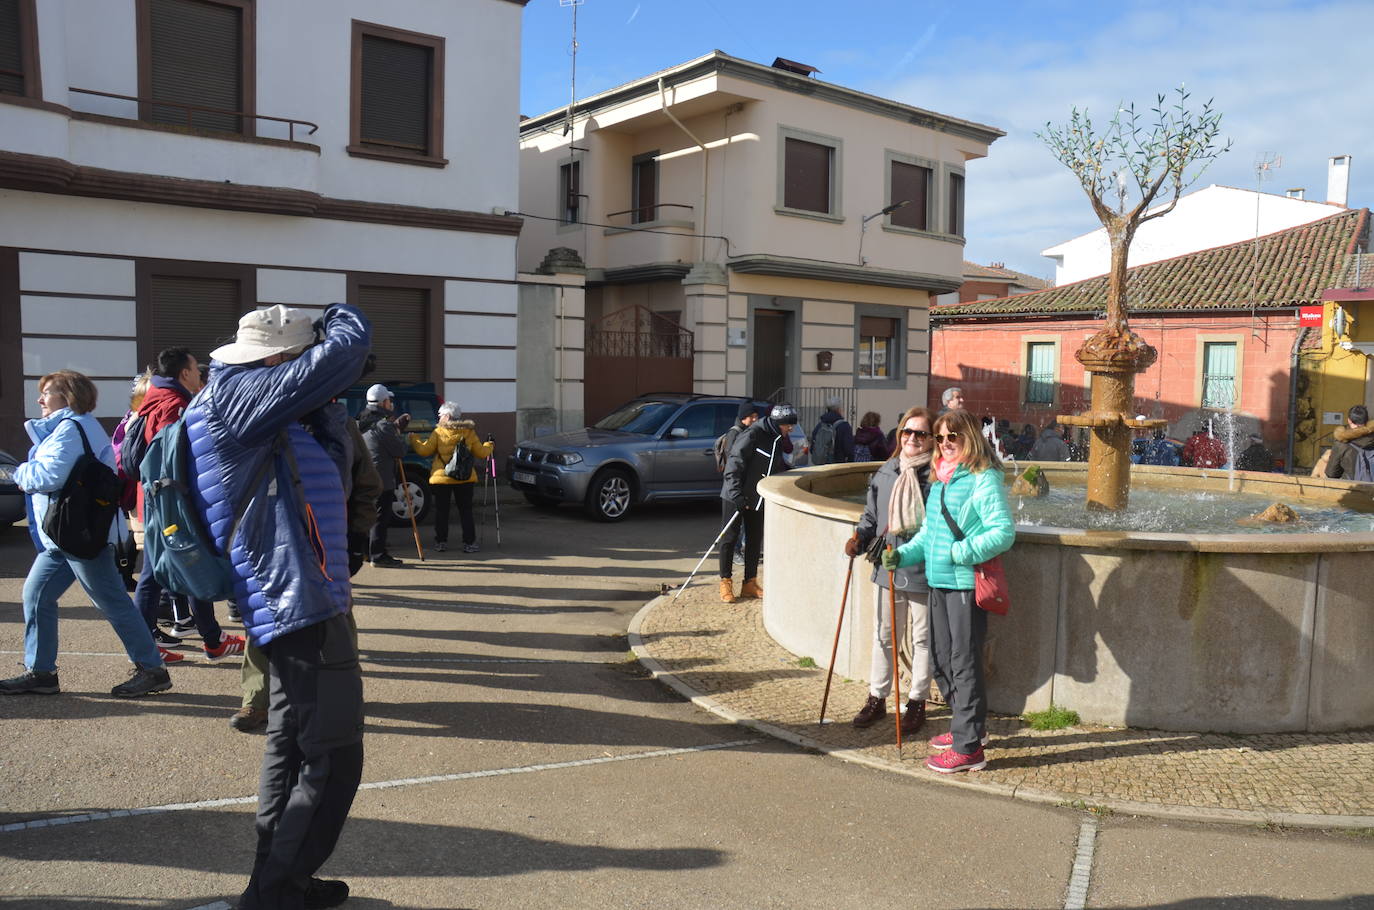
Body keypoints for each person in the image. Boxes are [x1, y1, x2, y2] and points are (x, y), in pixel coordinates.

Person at [186, 304, 370, 909]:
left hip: (300, 596)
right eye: (300, 359)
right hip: (298, 599)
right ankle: (276, 892)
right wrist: (342, 320)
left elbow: (332, 479)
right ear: (278, 360)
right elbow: (346, 353)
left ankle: (275, 883)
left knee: (294, 746)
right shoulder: (239, 397)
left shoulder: (261, 407)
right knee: (333, 756)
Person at [2, 370, 171, 697]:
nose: (40, 399)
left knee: (112, 601)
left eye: (47, 393)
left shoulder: (70, 428)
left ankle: (152, 669)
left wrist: (17, 473)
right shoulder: (74, 427)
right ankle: (41, 672)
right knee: (36, 595)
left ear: (68, 396)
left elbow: (50, 475)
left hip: (78, 535)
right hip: (65, 537)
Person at [231, 397, 383, 737]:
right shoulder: (263, 418)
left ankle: (346, 692)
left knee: (338, 617)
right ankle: (256, 700)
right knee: (262, 614)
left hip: (327, 540)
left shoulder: (340, 423)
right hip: (271, 538)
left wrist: (357, 534)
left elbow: (367, 483)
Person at [882, 408, 1014, 773]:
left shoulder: (982, 478)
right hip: (937, 582)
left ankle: (969, 747)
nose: (944, 443)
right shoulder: (941, 479)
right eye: (939, 438)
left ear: (969, 437)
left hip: (963, 586)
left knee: (964, 664)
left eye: (951, 437)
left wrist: (961, 552)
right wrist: (903, 555)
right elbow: (928, 535)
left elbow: (1003, 532)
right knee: (941, 659)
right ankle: (969, 727)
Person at [132, 347, 246, 663]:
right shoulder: (174, 404)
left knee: (190, 564)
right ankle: (144, 650)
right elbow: (174, 458)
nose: (200, 375)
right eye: (196, 370)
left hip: (164, 500)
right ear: (184, 373)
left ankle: (212, 640)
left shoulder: (154, 400)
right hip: (171, 504)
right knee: (155, 575)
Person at [846, 406, 936, 733]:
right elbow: (871, 516)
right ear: (900, 435)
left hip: (925, 569)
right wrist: (858, 537)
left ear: (931, 439)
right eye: (907, 432)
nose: (912, 438)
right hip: (887, 566)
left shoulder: (938, 475)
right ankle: (877, 697)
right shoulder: (887, 471)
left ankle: (916, 702)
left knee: (923, 638)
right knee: (884, 636)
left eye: (920, 433)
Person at [719, 403, 798, 603]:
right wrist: (736, 494)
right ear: (779, 422)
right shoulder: (753, 434)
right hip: (735, 495)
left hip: (758, 496)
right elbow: (734, 463)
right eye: (789, 425)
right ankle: (725, 582)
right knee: (729, 538)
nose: (791, 429)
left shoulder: (777, 438)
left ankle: (749, 583)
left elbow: (775, 465)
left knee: (754, 540)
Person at [411, 402, 494, 553]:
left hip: (442, 478)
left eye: (440, 415)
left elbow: (424, 451)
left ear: (447, 416)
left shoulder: (438, 432)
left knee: (442, 511)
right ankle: (469, 543)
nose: (438, 417)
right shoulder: (469, 432)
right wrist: (489, 445)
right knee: (466, 511)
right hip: (465, 478)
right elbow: (482, 453)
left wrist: (414, 439)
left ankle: (441, 543)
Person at [357, 383, 410, 568]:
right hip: (382, 479)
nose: (391, 404)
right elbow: (399, 450)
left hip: (363, 476)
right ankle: (378, 555)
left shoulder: (360, 421)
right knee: (380, 517)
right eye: (389, 400)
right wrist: (399, 433)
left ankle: (365, 552)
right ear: (383, 402)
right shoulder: (383, 425)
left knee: (365, 515)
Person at [1324, 405, 1374, 480]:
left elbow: (1331, 473)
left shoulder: (1342, 444)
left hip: (1354, 488)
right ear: (1367, 421)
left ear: (1349, 420)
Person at [714, 402, 759, 473]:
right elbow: (732, 459)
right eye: (751, 416)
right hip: (736, 475)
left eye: (756, 416)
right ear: (743, 417)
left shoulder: (750, 431)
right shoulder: (734, 433)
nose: (755, 419)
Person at [810, 396, 853, 465]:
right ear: (839, 409)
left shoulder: (820, 425)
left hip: (821, 466)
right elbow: (849, 450)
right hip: (838, 466)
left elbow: (813, 448)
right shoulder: (844, 426)